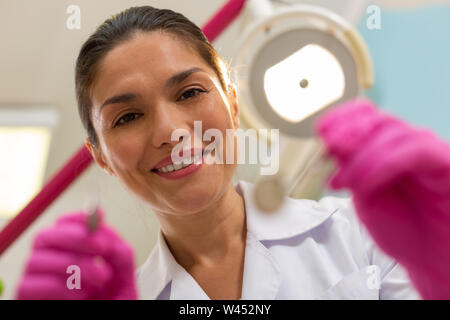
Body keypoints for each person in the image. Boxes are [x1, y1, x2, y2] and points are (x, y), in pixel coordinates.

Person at [15, 6, 450, 300]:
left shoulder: (363, 237)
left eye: (189, 91)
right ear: (101, 156)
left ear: (234, 101)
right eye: (127, 117)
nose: (170, 131)